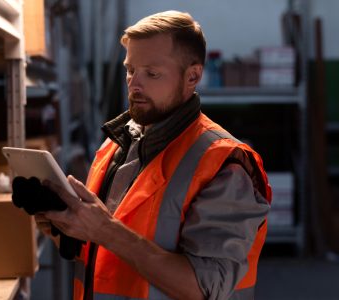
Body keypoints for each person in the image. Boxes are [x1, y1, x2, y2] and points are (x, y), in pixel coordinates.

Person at [36, 10, 271, 300]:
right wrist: (67, 230)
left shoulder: (223, 163)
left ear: (193, 76)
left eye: (152, 73)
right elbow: (106, 251)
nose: (134, 84)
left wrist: (105, 230)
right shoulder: (117, 145)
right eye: (130, 69)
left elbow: (203, 287)